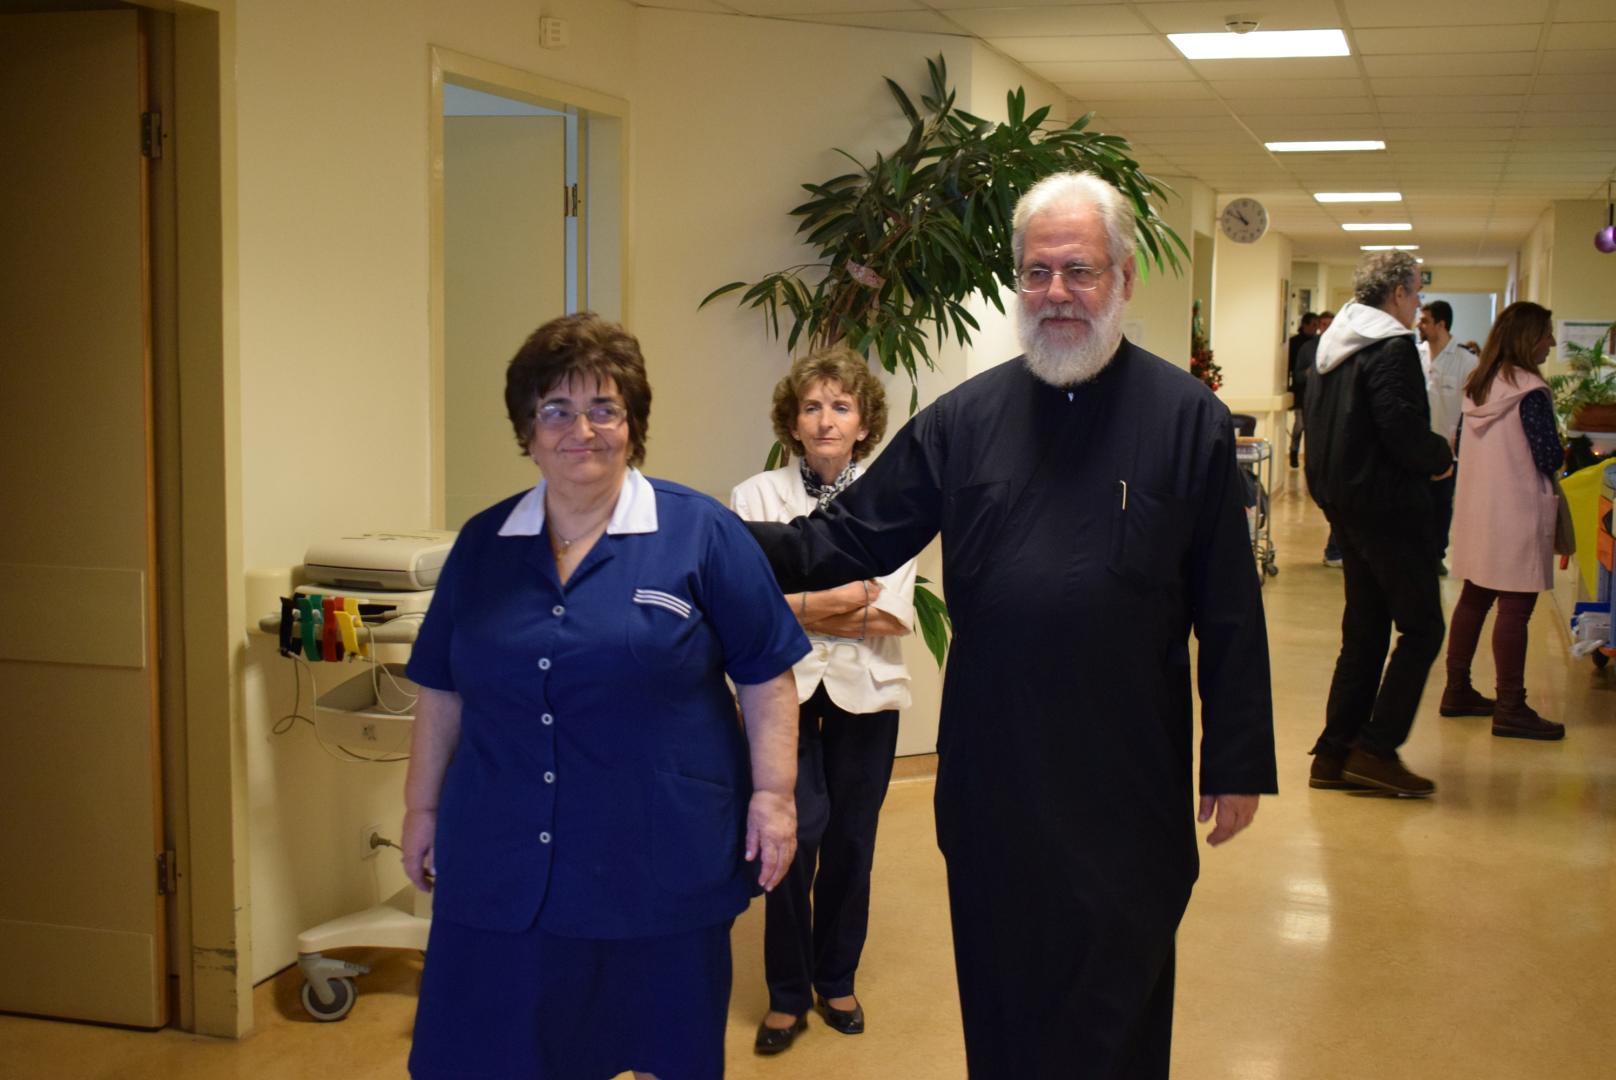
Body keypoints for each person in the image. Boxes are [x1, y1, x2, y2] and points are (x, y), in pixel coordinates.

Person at [746, 170, 1277, 1078]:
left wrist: (1234, 759)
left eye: (1080, 270)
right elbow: (842, 538)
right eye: (1037, 272)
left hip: (1128, 781)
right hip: (997, 778)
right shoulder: (964, 421)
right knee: (1004, 1004)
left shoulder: (1187, 421)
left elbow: (1229, 607)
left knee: (1118, 1014)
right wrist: (696, 536)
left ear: (1123, 278)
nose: (1056, 292)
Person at [399, 313, 808, 1080]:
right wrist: (422, 808)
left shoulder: (702, 533)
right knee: (501, 1051)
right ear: (527, 428)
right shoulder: (483, 545)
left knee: (664, 1048)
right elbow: (443, 688)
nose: (580, 430)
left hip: (657, 854)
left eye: (603, 409)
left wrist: (774, 796)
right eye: (556, 409)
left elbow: (766, 674)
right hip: (502, 855)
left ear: (633, 424)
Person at [730, 347, 917, 1055]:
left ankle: (836, 978)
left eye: (841, 406)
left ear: (864, 423)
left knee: (851, 842)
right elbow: (745, 611)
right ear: (793, 422)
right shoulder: (753, 499)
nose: (826, 419)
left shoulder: (895, 499)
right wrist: (841, 598)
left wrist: (794, 604)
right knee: (790, 834)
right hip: (781, 693)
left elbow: (891, 613)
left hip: (867, 696)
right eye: (812, 406)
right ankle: (786, 993)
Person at [1302, 253, 1453, 797]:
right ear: (1397, 294)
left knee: (1365, 630)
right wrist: (1439, 456)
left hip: (1346, 504)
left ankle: (1334, 753)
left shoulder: (1333, 344)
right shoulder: (1391, 347)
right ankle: (1375, 749)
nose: (1418, 306)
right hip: (1387, 508)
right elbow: (1400, 427)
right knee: (1423, 628)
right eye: (1415, 294)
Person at [1441, 301, 1567, 740]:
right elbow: (1547, 455)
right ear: (1529, 339)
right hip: (1518, 510)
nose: (1552, 342)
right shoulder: (1529, 391)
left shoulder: (1478, 387)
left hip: (1479, 509)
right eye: (1546, 334)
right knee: (1516, 606)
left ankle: (1457, 689)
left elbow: (1463, 444)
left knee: (1475, 597)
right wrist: (1565, 451)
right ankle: (1511, 706)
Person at [1419, 300, 1480, 574]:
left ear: (1441, 324)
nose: (1419, 325)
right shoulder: (1414, 354)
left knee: (1441, 504)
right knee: (1415, 503)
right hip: (1416, 446)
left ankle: (1436, 555)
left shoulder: (1467, 361)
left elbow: (1474, 406)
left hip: (1448, 449)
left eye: (1425, 321)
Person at [1287, 311, 1321, 468]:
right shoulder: (1296, 343)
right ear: (1305, 325)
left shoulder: (1319, 343)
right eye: (1313, 324)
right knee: (1299, 425)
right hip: (1301, 390)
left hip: (1316, 392)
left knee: (1312, 427)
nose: (1316, 328)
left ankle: (1309, 457)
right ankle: (1294, 452)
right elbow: (1292, 369)